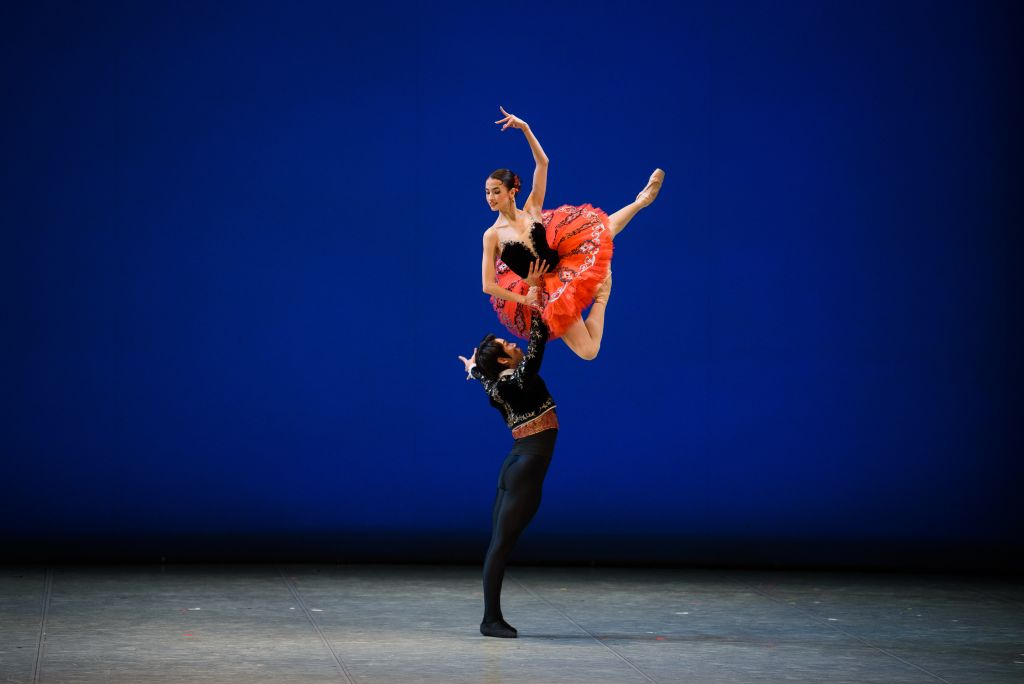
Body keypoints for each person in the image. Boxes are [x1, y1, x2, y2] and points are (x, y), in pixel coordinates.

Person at [459, 270, 612, 638]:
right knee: (501, 545)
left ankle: (490, 617)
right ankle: (490, 619)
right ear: (503, 361)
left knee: (499, 543)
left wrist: (474, 368)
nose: (514, 344)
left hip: (517, 466)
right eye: (507, 346)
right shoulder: (514, 380)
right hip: (525, 468)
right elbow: (537, 347)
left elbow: (485, 376)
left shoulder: (495, 383)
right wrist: (539, 299)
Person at [482, 106, 663, 360]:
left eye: (496, 191)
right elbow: (488, 285)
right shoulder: (492, 235)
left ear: (512, 192)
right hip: (545, 293)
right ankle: (603, 296)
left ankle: (641, 201)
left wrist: (525, 128)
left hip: (564, 264)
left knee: (601, 230)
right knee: (589, 351)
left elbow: (543, 163)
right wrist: (525, 299)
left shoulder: (531, 209)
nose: (490, 197)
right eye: (487, 192)